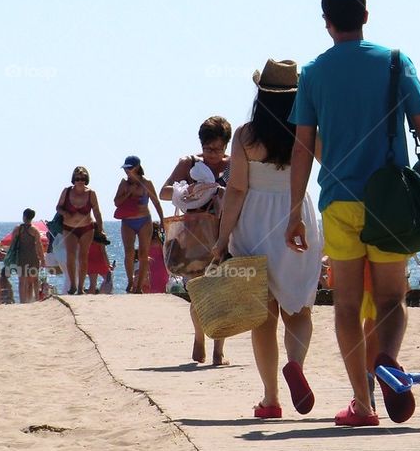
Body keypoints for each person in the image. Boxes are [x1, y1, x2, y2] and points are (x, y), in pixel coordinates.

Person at [286, 0, 420, 426]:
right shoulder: (395, 62)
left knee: (344, 305)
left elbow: (303, 146)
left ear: (326, 23)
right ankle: (385, 360)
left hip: (339, 200)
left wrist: (291, 214)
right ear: (365, 15)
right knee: (391, 300)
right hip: (391, 203)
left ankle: (362, 404)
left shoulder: (313, 73)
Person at [214, 60, 323, 417]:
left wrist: (221, 239)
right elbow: (333, 165)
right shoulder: (307, 131)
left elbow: (236, 189)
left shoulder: (245, 135)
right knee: (299, 307)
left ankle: (271, 398)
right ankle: (295, 364)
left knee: (263, 317)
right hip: (297, 217)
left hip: (255, 223)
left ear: (260, 95)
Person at [161, 116, 232, 366]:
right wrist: (187, 192)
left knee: (222, 291)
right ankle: (200, 336)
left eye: (217, 149)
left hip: (224, 235)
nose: (212, 154)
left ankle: (218, 349)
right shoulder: (189, 163)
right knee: (198, 292)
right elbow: (164, 192)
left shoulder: (233, 165)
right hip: (193, 236)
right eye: (207, 148)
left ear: (226, 145)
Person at [114, 157, 164, 294]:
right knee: (129, 252)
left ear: (137, 167)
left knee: (143, 254)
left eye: (130, 168)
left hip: (144, 220)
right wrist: (128, 193)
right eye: (125, 168)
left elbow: (156, 202)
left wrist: (162, 221)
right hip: (128, 222)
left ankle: (139, 286)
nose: (127, 170)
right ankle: (131, 280)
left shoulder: (146, 183)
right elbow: (116, 202)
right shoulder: (124, 184)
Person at [56, 167, 105, 295]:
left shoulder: (91, 193)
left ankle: (81, 287)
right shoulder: (67, 192)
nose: (80, 181)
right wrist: (65, 213)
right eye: (77, 178)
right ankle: (73, 284)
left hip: (86, 228)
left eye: (83, 178)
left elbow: (97, 212)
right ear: (74, 179)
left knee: (83, 256)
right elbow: (58, 207)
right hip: (69, 228)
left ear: (86, 179)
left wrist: (101, 230)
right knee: (70, 255)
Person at [8, 208, 46, 303]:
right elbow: (39, 246)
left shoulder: (17, 229)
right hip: (33, 257)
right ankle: (36, 299)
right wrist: (42, 259)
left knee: (22, 281)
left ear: (24, 217)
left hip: (21, 257)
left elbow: (12, 244)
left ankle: (23, 301)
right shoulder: (34, 230)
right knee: (34, 280)